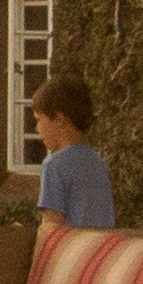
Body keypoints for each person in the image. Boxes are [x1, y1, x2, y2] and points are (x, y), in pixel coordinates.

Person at [26, 71, 115, 232]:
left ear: (60, 120)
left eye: (39, 120)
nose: (37, 128)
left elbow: (52, 227)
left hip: (71, 252)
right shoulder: (97, 161)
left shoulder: (54, 165)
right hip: (98, 250)